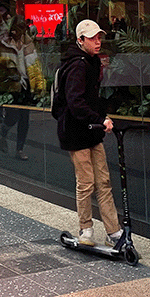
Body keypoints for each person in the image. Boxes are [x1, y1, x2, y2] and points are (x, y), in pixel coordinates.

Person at [55, 19, 122, 247]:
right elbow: (75, 102)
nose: (98, 41)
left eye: (99, 37)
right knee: (86, 182)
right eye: (92, 38)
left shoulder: (92, 62)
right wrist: (99, 118)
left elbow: (91, 98)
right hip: (76, 132)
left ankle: (113, 232)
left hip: (92, 131)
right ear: (80, 40)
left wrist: (103, 114)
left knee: (103, 181)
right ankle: (86, 230)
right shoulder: (77, 65)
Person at [0, 15, 46, 160]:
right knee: (12, 116)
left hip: (26, 83)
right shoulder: (4, 42)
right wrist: (7, 66)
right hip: (11, 83)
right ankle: (4, 132)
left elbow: (35, 65)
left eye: (21, 29)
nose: (18, 32)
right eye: (16, 29)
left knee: (25, 118)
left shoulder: (28, 42)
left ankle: (19, 149)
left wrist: (39, 84)